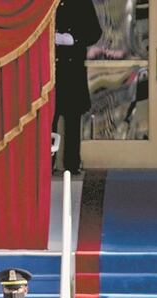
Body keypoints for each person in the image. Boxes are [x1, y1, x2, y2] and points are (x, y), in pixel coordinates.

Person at [51, 0, 102, 175]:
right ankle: (46, 164)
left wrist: (74, 39)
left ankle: (72, 164)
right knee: (47, 120)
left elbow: (95, 32)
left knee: (72, 119)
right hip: (48, 70)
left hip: (71, 70)